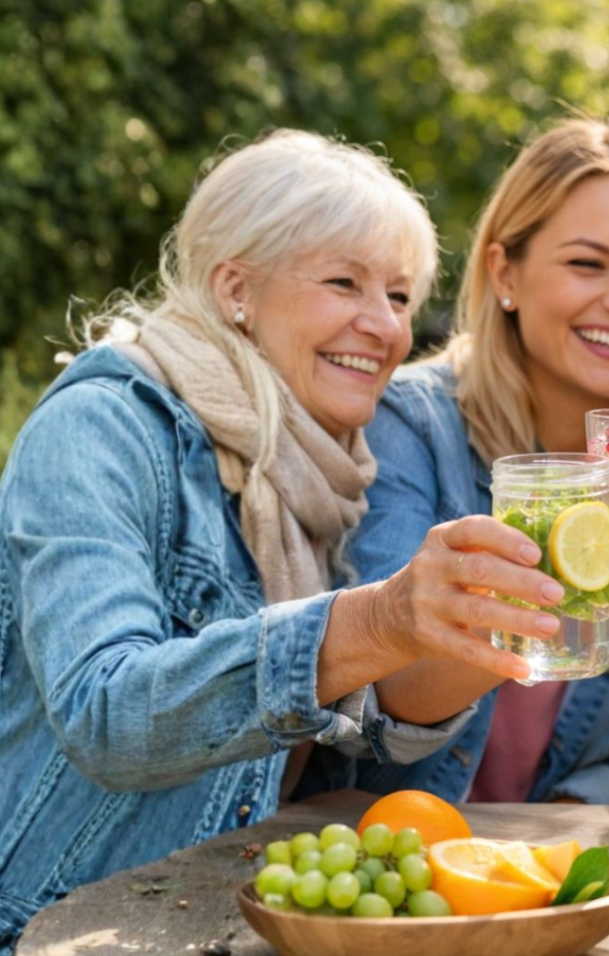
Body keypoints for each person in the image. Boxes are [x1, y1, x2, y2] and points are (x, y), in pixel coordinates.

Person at [0, 130, 575, 950]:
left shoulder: (325, 473)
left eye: (402, 298)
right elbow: (106, 711)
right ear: (235, 288)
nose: (381, 326)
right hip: (43, 931)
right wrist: (371, 623)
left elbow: (360, 760)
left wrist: (484, 627)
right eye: (345, 283)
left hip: (214, 928)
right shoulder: (103, 427)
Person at [343, 117, 609, 806]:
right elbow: (374, 710)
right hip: (401, 854)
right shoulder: (409, 426)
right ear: (505, 273)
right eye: (587, 264)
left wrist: (569, 828)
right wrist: (516, 609)